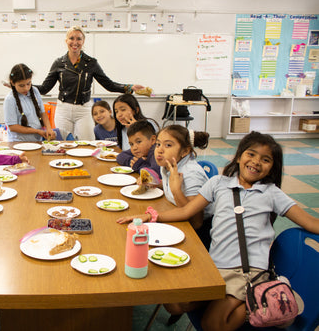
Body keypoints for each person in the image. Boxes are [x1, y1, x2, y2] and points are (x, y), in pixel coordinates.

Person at [117, 131, 319, 331]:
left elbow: (310, 223)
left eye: (265, 159)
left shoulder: (272, 193)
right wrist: (150, 216)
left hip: (246, 271)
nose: (256, 162)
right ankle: (250, 300)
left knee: (213, 324)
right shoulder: (218, 183)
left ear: (272, 166)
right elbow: (187, 210)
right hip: (215, 266)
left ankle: (257, 298)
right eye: (251, 154)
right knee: (174, 304)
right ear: (239, 156)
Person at [36, 26, 145, 141]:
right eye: (71, 38)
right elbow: (45, 88)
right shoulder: (59, 63)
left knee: (88, 142)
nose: (75, 42)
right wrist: (25, 86)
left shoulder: (91, 63)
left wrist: (129, 87)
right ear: (66, 41)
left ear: (83, 41)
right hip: (63, 109)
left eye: (79, 39)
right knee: (63, 143)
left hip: (83, 109)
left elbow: (108, 84)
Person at [4, 64, 56, 142]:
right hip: (17, 143)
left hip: (36, 141)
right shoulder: (10, 99)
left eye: (28, 83)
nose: (26, 88)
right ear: (12, 83)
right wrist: (37, 131)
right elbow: (12, 127)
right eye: (21, 85)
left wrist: (49, 128)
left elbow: (42, 113)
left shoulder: (35, 91)